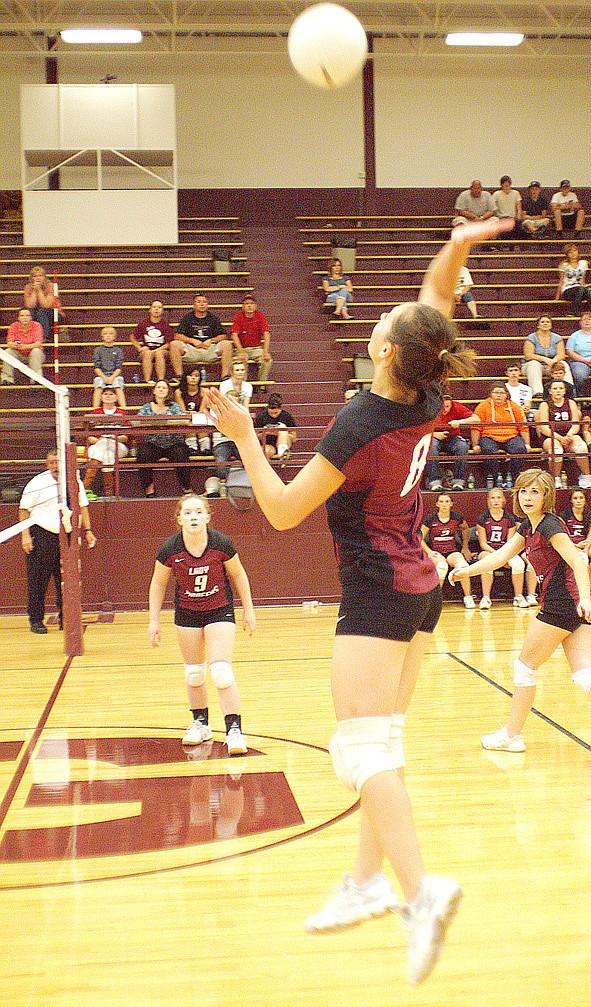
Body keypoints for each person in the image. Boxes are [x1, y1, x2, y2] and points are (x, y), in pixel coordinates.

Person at [204, 216, 512, 985]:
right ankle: (369, 879)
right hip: (418, 585)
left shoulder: (360, 420)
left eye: (383, 323)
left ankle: (420, 893)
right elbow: (431, 303)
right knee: (386, 741)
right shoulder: (427, 393)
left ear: (382, 350)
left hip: (377, 591)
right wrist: (460, 243)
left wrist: (242, 434)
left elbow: (277, 510)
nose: (383, 318)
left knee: (359, 748)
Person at [451, 468, 591, 759]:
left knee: (524, 668)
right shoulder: (528, 527)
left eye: (535, 491)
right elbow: (500, 556)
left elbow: (578, 562)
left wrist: (584, 597)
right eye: (523, 491)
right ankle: (512, 735)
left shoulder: (550, 526)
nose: (528, 497)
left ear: (546, 495)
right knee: (584, 675)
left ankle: (512, 735)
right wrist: (466, 570)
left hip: (563, 604)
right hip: (574, 605)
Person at [148, 492, 255, 755]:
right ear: (179, 519)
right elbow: (158, 584)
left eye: (198, 512)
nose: (193, 516)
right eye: (187, 512)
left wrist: (248, 611)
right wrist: (153, 620)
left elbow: (239, 575)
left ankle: (234, 730)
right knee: (194, 673)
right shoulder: (170, 549)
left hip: (219, 609)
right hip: (187, 613)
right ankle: (201, 723)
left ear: (208, 516)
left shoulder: (221, 544)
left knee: (221, 672)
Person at [18, 449, 96, 633]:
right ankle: (36, 620)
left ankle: (66, 618)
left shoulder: (74, 482)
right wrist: (25, 535)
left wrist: (88, 530)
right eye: (51, 463)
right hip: (43, 534)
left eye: (57, 462)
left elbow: (83, 506)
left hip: (67, 536)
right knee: (38, 581)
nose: (54, 466)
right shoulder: (37, 483)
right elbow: (23, 510)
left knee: (67, 580)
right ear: (47, 464)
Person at [475, 487, 538, 609]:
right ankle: (486, 598)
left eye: (499, 497)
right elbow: (483, 544)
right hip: (488, 550)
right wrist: (497, 554)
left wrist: (504, 555)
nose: (496, 501)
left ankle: (518, 596)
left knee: (519, 563)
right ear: (488, 500)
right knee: (487, 561)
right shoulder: (482, 519)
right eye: (493, 498)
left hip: (505, 550)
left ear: (503, 500)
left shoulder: (509, 519)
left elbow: (510, 543)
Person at [136, 379, 190, 497]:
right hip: (153, 444)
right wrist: (155, 423)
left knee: (182, 454)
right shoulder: (146, 407)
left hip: (173, 443)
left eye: (164, 388)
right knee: (142, 454)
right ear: (154, 391)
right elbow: (137, 422)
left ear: (168, 392)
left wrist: (165, 421)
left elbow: (185, 421)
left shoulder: (174, 406)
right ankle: (149, 489)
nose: (161, 389)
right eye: (159, 387)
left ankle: (186, 489)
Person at [471, 382, 531, 487]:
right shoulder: (483, 406)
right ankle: (494, 478)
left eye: (501, 393)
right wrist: (475, 444)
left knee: (520, 449)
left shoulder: (513, 406)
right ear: (491, 394)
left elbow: (523, 425)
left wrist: (527, 443)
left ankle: (513, 476)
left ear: (506, 394)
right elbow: (475, 427)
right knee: (489, 450)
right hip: (489, 436)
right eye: (495, 393)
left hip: (511, 436)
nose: (498, 395)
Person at [421, 493, 476, 608]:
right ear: (437, 504)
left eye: (447, 501)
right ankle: (435, 601)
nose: (444, 504)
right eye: (441, 501)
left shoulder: (456, 517)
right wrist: (429, 552)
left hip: (452, 551)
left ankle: (468, 597)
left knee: (463, 565)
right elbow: (419, 537)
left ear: (451, 504)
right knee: (442, 567)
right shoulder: (431, 519)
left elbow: (465, 528)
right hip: (436, 552)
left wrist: (465, 547)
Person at [537, 379, 591, 488]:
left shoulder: (571, 403)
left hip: (568, 435)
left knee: (581, 447)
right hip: (550, 436)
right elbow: (544, 428)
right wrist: (560, 438)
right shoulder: (545, 404)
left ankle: (586, 476)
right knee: (556, 450)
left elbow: (576, 424)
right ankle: (556, 478)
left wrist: (569, 435)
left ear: (565, 391)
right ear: (550, 391)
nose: (558, 391)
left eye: (561, 388)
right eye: (555, 388)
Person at [170, 294, 233, 381]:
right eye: (199, 302)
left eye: (204, 302)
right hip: (192, 350)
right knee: (174, 344)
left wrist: (211, 340)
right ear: (194, 305)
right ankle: (179, 376)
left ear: (207, 305)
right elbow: (177, 335)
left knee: (227, 344)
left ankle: (225, 376)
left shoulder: (213, 318)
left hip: (209, 350)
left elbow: (223, 335)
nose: (202, 304)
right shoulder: (187, 318)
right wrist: (192, 340)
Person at [424, 389, 478, 491]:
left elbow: (476, 419)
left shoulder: (456, 406)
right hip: (434, 436)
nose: (445, 409)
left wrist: (460, 422)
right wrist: (434, 434)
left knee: (462, 446)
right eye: (442, 407)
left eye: (447, 407)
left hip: (452, 437)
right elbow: (419, 426)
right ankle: (434, 480)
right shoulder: (430, 407)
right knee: (431, 447)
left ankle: (459, 481)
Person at [83, 386, 128, 498]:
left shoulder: (122, 413)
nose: (108, 396)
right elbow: (89, 437)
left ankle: (85, 488)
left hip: (118, 445)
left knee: (105, 443)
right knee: (107, 455)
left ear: (116, 397)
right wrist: (99, 439)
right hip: (97, 445)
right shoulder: (95, 412)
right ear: (101, 397)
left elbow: (125, 437)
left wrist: (112, 437)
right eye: (106, 394)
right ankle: (109, 494)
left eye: (111, 394)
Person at [213, 378, 253, 497]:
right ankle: (223, 486)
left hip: (239, 441)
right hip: (222, 442)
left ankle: (250, 486)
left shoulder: (242, 413)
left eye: (235, 402)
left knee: (249, 459)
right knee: (221, 461)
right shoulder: (217, 412)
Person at [559, 490, 591, 596]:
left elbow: (590, 536)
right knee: (582, 558)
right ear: (571, 500)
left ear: (585, 500)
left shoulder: (589, 515)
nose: (578, 501)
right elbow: (561, 536)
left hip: (585, 544)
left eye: (581, 498)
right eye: (575, 498)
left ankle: (588, 584)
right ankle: (588, 590)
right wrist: (575, 546)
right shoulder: (564, 515)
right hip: (570, 545)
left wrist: (586, 549)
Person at [522, 314, 571, 397]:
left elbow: (561, 354)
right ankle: (538, 392)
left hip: (552, 366)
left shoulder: (557, 338)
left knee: (563, 364)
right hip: (534, 366)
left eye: (547, 322)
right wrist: (545, 360)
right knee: (534, 364)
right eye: (543, 322)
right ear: (538, 325)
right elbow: (528, 355)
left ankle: (568, 390)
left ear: (551, 325)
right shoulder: (531, 338)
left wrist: (552, 362)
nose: (545, 324)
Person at [230, 294, 273, 385]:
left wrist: (265, 352)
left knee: (267, 361)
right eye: (247, 304)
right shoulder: (238, 316)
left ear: (255, 305)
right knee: (241, 360)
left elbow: (266, 334)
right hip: (242, 349)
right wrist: (241, 351)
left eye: (252, 303)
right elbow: (234, 335)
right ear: (243, 306)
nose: (249, 306)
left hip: (256, 348)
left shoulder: (260, 315)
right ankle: (241, 386)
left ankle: (261, 385)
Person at [130, 300, 174, 386]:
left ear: (162, 311)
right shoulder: (143, 323)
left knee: (159, 353)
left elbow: (169, 343)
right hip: (147, 351)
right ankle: (147, 380)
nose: (156, 309)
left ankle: (161, 380)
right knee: (147, 352)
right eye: (154, 307)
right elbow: (133, 337)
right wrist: (139, 348)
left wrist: (157, 350)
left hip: (161, 350)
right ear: (150, 310)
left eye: (159, 307)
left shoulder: (165, 325)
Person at [174, 366, 212, 456]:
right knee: (187, 424)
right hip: (186, 419)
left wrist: (194, 414)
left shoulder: (204, 391)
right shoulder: (178, 392)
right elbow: (182, 411)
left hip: (200, 418)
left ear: (199, 378)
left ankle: (205, 450)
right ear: (186, 377)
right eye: (190, 375)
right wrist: (191, 414)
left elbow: (202, 411)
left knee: (201, 424)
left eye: (196, 376)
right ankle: (192, 449)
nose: (193, 378)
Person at [1, 308, 45, 385]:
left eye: (27, 315)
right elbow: (9, 343)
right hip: (19, 353)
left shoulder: (37, 325)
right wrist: (15, 345)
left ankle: (36, 378)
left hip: (34, 355)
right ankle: (7, 379)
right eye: (22, 316)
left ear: (31, 317)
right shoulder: (13, 326)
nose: (25, 318)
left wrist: (24, 346)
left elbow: (38, 343)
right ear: (18, 318)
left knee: (36, 351)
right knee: (8, 351)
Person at [253, 392, 297, 465]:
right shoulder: (262, 416)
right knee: (265, 451)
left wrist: (280, 433)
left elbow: (294, 438)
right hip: (268, 444)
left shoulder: (286, 416)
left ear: (280, 409)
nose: (273, 415)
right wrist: (265, 432)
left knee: (282, 428)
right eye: (271, 413)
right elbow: (254, 437)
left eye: (276, 413)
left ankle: (282, 453)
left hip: (285, 442)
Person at [566, 309, 591, 396]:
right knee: (579, 374)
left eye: (589, 319)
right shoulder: (574, 336)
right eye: (584, 319)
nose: (587, 321)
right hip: (580, 361)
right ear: (580, 322)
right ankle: (579, 396)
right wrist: (585, 360)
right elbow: (569, 351)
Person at [92, 325, 127, 409]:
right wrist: (104, 377)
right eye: (105, 334)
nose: (108, 335)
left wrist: (112, 377)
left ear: (114, 337)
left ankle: (124, 408)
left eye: (111, 334)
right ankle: (95, 409)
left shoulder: (118, 350)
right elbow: (97, 367)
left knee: (118, 385)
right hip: (102, 375)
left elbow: (119, 367)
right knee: (98, 384)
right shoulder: (98, 350)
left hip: (115, 375)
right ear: (102, 337)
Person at [555, 244, 591, 317]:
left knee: (587, 290)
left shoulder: (583, 263)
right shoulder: (564, 264)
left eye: (575, 251)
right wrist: (557, 297)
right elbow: (561, 281)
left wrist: (585, 289)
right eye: (570, 252)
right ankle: (574, 312)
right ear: (567, 254)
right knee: (580, 289)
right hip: (568, 290)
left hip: (580, 289)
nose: (573, 254)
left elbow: (583, 279)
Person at [23, 265, 60, 341]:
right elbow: (30, 305)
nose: (38, 278)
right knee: (29, 312)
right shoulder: (28, 287)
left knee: (42, 311)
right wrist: (34, 290)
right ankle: (29, 338)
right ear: (31, 278)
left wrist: (39, 290)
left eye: (40, 275)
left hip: (53, 313)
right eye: (35, 276)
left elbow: (46, 305)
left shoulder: (51, 286)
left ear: (44, 277)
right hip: (36, 312)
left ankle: (43, 337)